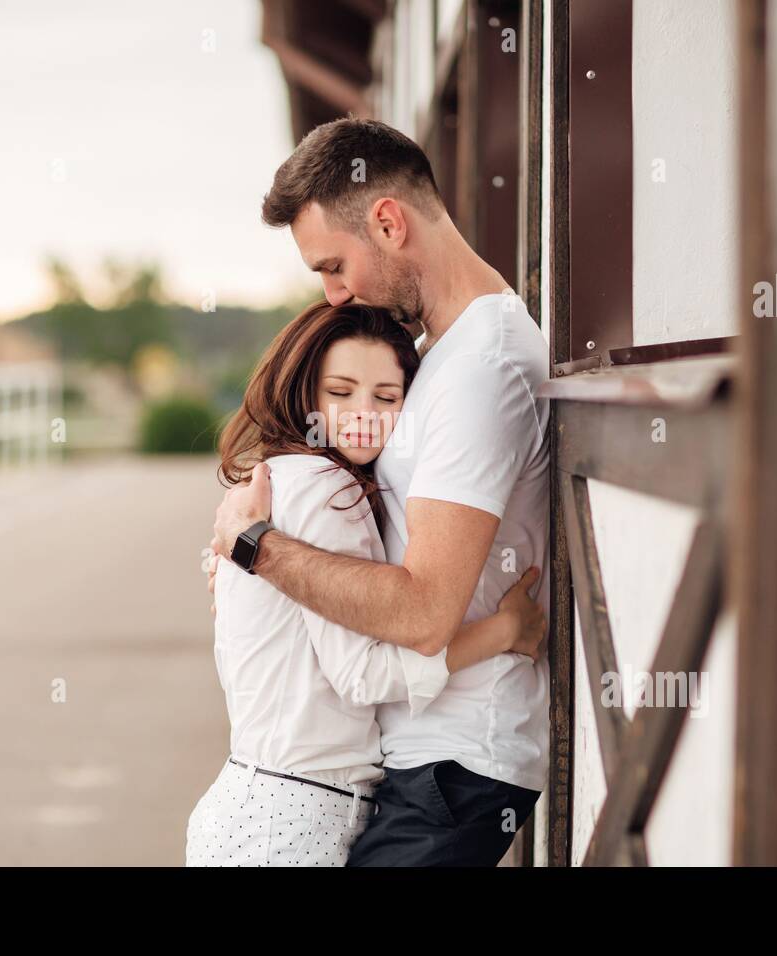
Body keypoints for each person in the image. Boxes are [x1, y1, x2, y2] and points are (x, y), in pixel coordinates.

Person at [210, 118, 551, 866]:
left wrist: (256, 549)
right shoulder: (436, 354)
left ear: (389, 223)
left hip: (456, 766)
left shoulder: (480, 372)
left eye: (334, 266)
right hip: (415, 756)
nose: (334, 297)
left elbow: (425, 611)